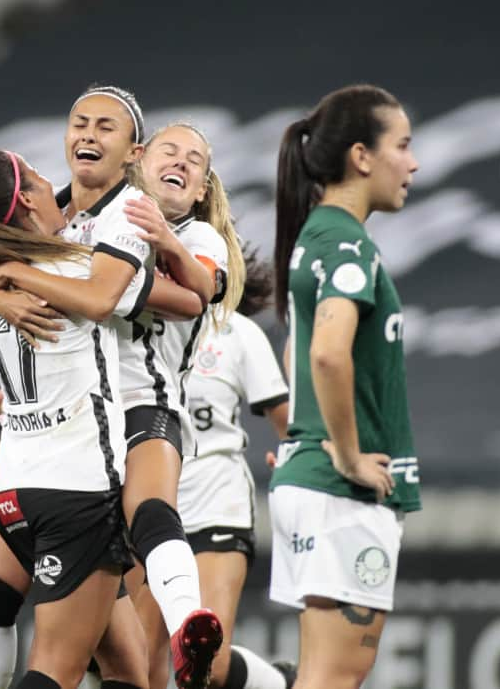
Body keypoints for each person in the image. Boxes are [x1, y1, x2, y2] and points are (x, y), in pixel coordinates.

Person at [0, 116, 247, 689]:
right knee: (112, 657)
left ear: (205, 187)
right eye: (171, 151)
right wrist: (5, 296)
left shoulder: (197, 239)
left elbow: (193, 296)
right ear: (139, 163)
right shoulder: (80, 222)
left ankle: (190, 622)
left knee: (150, 521)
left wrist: (30, 277)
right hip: (75, 427)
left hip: (143, 407)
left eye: (196, 160)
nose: (182, 162)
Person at [268, 84, 421, 689]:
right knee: (334, 678)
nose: (412, 162)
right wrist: (348, 454)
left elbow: (297, 350)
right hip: (338, 492)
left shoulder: (320, 234)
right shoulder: (346, 241)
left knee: (322, 676)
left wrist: (309, 436)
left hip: (315, 481)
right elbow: (328, 355)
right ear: (362, 156)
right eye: (402, 145)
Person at [162, 250, 297, 689]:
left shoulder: (236, 332)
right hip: (148, 511)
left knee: (206, 668)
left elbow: (288, 422)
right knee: (133, 655)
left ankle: (277, 684)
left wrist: (306, 463)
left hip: (216, 504)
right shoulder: (134, 327)